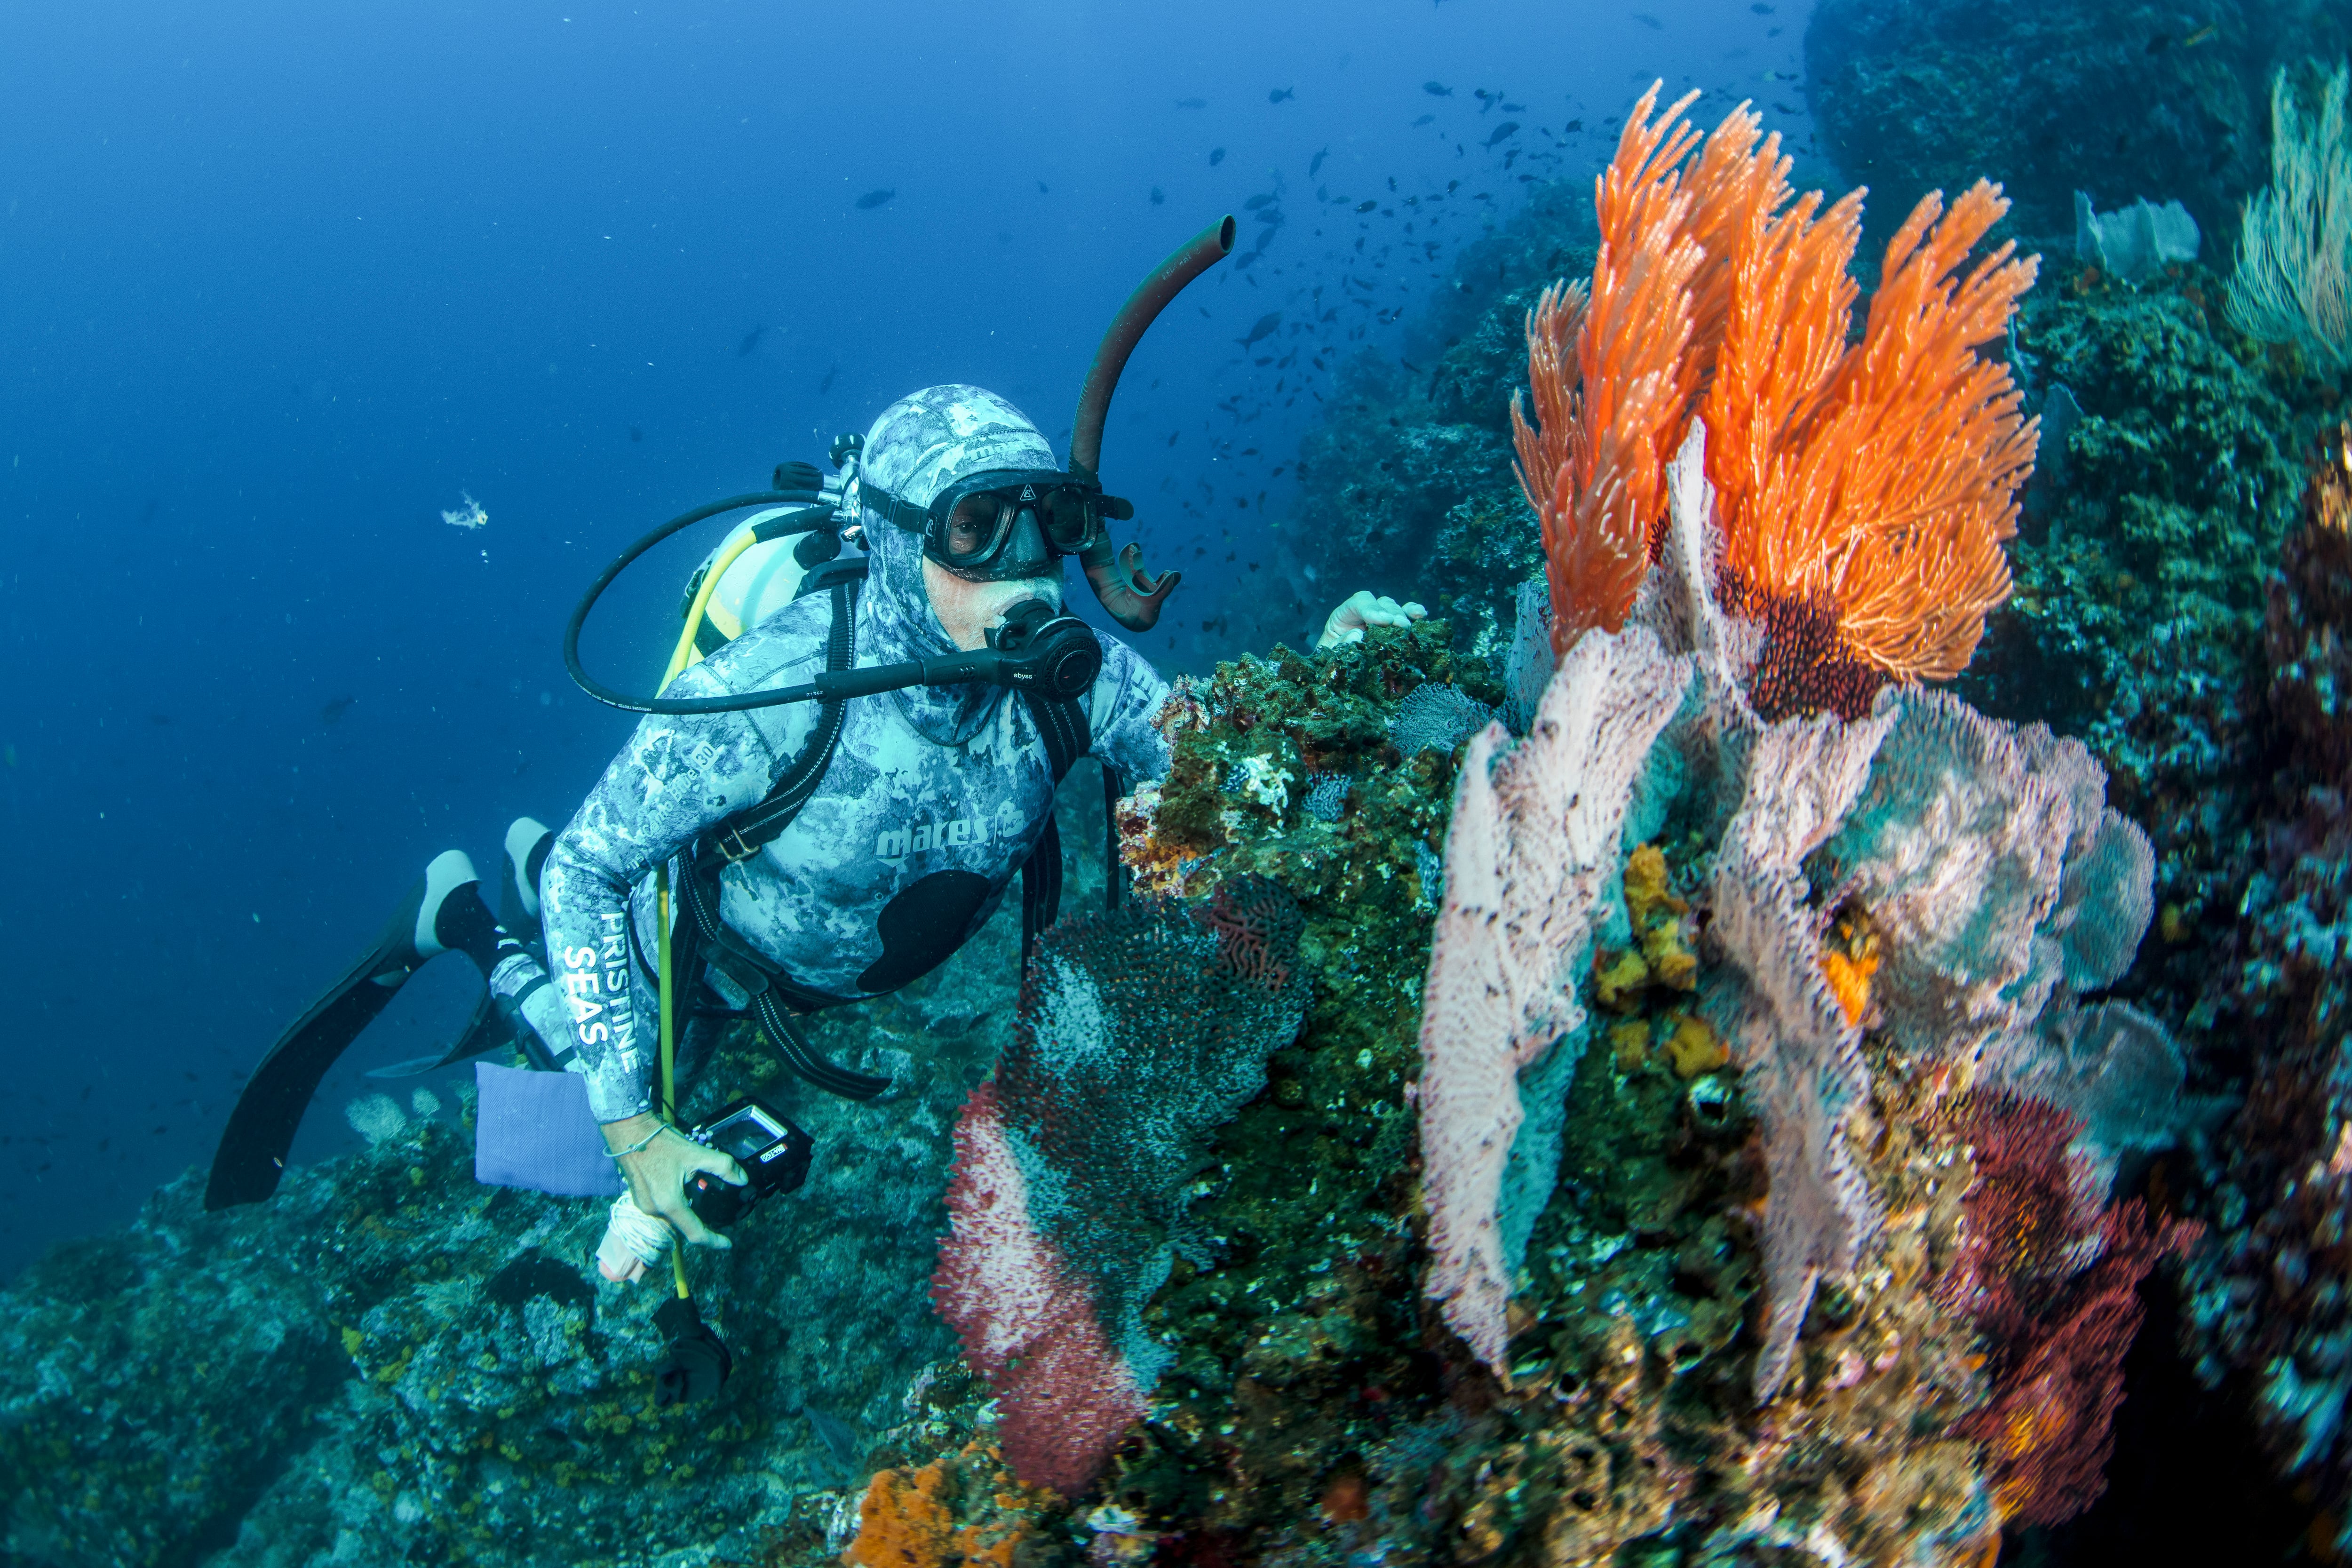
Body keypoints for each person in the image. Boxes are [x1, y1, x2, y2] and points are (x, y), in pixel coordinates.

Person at [208, 385, 1422, 1279]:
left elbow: (1211, 774)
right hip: (695, 956)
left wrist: (1339, 704)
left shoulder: (1084, 677)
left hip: (835, 983)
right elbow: (599, 863)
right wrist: (637, 1133)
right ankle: (466, 916)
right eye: (976, 526)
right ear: (896, 539)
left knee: (628, 1128)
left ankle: (504, 911)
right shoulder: (775, 687)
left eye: (1048, 521)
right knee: (562, 1144)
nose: (1028, 566)